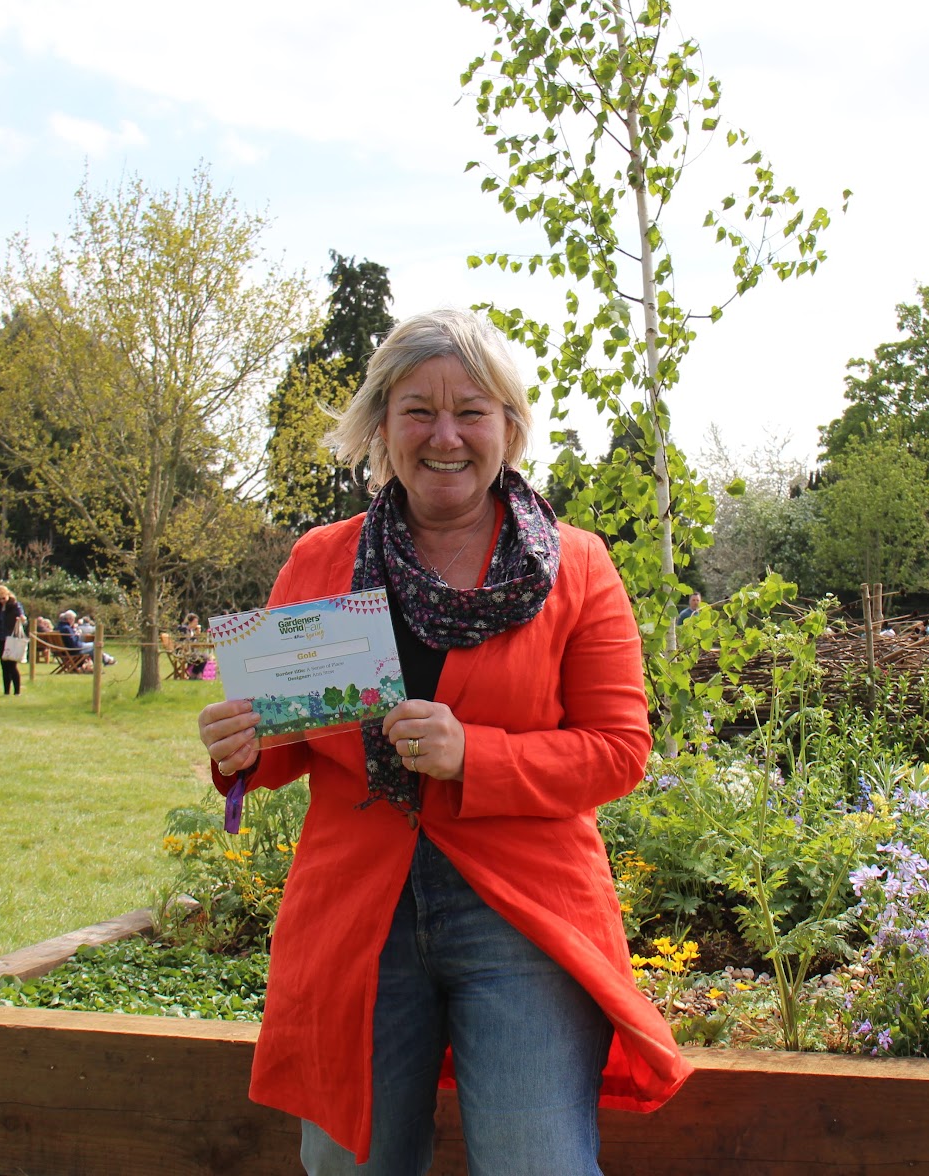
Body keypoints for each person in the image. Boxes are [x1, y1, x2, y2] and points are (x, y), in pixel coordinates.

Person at [196, 309, 689, 1171]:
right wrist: (239, 745)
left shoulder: (578, 565)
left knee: (538, 1162)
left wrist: (476, 756)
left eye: (472, 409)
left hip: (522, 914)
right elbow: (284, 746)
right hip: (357, 915)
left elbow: (618, 749)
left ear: (510, 427)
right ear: (383, 427)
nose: (446, 435)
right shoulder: (320, 558)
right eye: (418, 409)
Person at [0, 584, 25, 696]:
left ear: (8, 595)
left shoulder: (15, 605)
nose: (2, 601)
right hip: (2, 638)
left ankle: (17, 691)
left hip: (12, 638)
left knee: (12, 666)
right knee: (4, 666)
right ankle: (6, 691)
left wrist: (21, 619)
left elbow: (23, 617)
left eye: (3, 598)